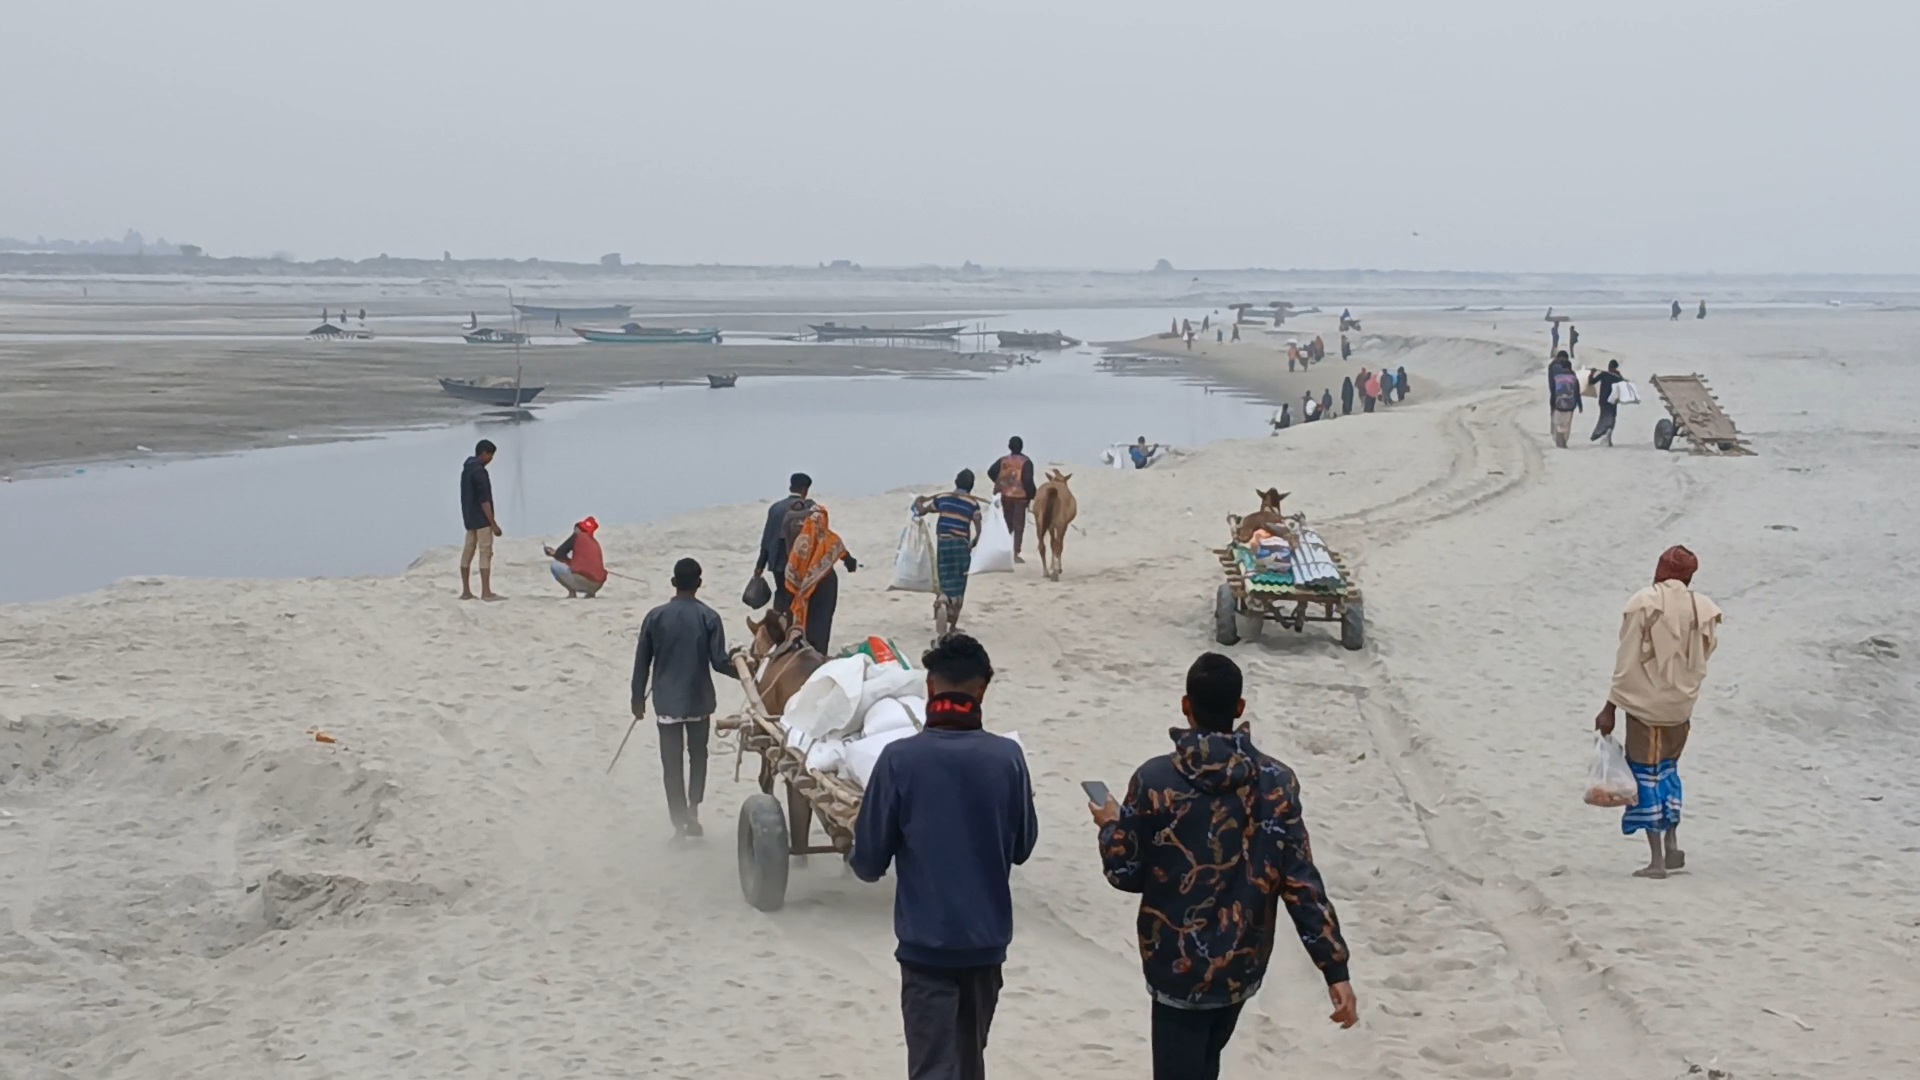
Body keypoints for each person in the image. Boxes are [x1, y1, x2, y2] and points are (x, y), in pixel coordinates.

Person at [1093, 653, 1357, 1080]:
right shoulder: (1277, 782)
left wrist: (1110, 826)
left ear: (1186, 705)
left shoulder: (1155, 781)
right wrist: (1334, 969)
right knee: (1205, 1063)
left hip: (1175, 968)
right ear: (1239, 707)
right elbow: (1300, 883)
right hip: (1240, 969)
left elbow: (1124, 873)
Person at [850, 634, 1038, 1080]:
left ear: (930, 688)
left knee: (932, 1067)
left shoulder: (898, 760)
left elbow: (868, 862)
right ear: (983, 690)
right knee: (971, 1064)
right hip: (985, 946)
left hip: (927, 950)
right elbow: (1023, 847)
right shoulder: (1008, 758)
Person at [1595, 546, 1723, 879]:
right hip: (1680, 709)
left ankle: (1656, 861)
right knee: (1668, 771)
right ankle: (1672, 841)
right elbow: (1702, 657)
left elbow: (1626, 662)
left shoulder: (1643, 603)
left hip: (1644, 708)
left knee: (1646, 775)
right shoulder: (1703, 608)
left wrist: (1609, 707)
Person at [631, 557, 737, 841]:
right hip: (698, 700)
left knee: (671, 763)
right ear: (699, 583)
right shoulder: (709, 617)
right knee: (698, 756)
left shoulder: (655, 617)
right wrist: (746, 671)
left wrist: (637, 698)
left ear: (673, 582)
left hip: (666, 702)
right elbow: (719, 662)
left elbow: (642, 661)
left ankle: (678, 825)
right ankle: (693, 810)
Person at [915, 471, 984, 639]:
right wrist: (975, 540)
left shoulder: (943, 498)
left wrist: (918, 500)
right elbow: (978, 525)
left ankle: (943, 600)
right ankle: (952, 625)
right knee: (959, 581)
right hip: (961, 545)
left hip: (944, 543)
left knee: (944, 576)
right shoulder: (972, 503)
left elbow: (923, 510)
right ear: (971, 486)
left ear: (956, 482)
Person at [785, 504, 858, 654]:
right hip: (826, 585)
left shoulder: (801, 541)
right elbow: (847, 558)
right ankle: (819, 652)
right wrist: (850, 564)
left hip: (803, 590)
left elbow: (792, 567)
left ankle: (803, 650)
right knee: (823, 620)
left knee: (807, 620)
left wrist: (800, 587)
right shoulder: (829, 538)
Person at [754, 473, 815, 609]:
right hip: (801, 563)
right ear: (805, 489)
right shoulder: (810, 508)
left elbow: (767, 539)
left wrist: (760, 566)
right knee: (800, 598)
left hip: (778, 562)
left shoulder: (775, 508)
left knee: (782, 593)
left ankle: (778, 617)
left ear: (790, 487)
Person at [459, 439, 502, 600]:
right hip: (482, 519)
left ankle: (466, 591)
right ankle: (486, 591)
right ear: (484, 453)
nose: (491, 459)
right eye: (490, 455)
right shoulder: (479, 472)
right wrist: (493, 523)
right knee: (485, 552)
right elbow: (484, 500)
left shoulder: (467, 469)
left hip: (469, 517)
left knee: (468, 550)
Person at [987, 437, 1036, 563]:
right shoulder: (1026, 462)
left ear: (1009, 447)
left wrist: (1001, 482)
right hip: (1020, 497)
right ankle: (1015, 553)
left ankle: (1001, 550)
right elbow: (1028, 480)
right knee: (1018, 526)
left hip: (1005, 496)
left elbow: (991, 472)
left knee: (1006, 524)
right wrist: (1031, 494)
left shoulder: (1003, 460)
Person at [544, 516, 607, 598]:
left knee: (555, 565)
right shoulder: (594, 542)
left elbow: (560, 554)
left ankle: (572, 593)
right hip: (597, 585)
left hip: (583, 580)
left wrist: (552, 553)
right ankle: (591, 594)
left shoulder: (577, 536)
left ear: (577, 529)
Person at [1548, 352, 1582, 448]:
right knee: (1567, 423)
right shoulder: (1573, 377)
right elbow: (1577, 391)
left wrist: (1552, 403)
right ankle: (1564, 438)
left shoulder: (1557, 377)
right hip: (1570, 405)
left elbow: (1553, 390)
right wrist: (1580, 404)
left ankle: (1558, 435)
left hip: (1558, 403)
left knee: (1557, 421)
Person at [1590, 359, 1625, 446]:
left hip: (1603, 400)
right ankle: (1608, 437)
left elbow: (1591, 382)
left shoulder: (1604, 374)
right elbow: (1623, 386)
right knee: (1611, 418)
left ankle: (1605, 436)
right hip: (1612, 401)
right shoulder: (1617, 376)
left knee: (1604, 418)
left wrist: (1592, 373)